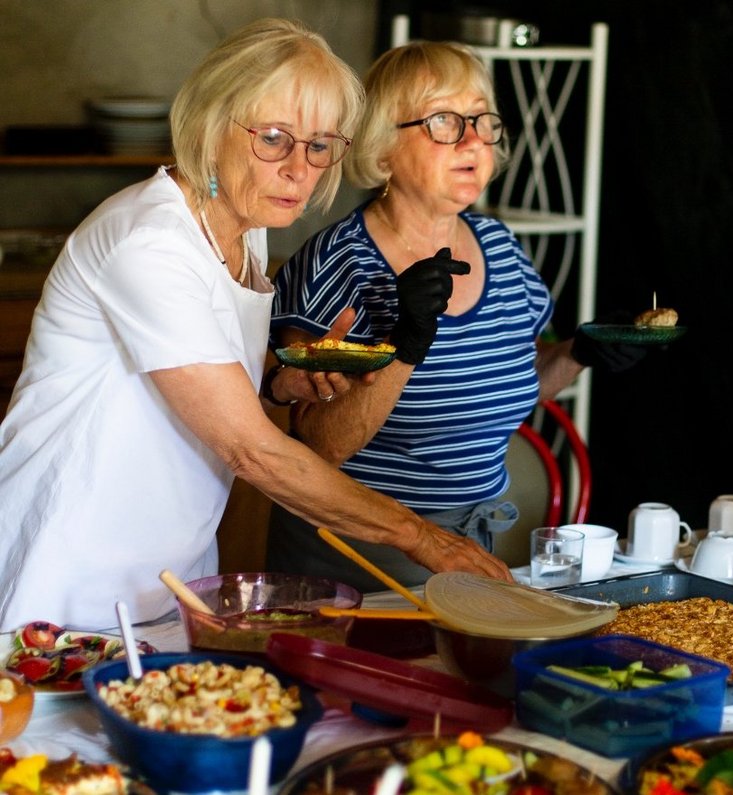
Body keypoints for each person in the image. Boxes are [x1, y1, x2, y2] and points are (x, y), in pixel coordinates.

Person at [0, 20, 512, 632]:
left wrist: (277, 384)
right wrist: (423, 538)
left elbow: (201, 376)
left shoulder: (243, 226)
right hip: (65, 568)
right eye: (274, 138)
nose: (300, 169)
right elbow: (252, 450)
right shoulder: (151, 241)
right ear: (213, 125)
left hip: (167, 571)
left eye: (321, 145)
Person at [266, 39, 646, 592]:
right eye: (444, 121)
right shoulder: (337, 262)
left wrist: (577, 353)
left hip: (468, 548)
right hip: (356, 555)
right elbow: (313, 448)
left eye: (481, 119)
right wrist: (407, 342)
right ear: (383, 146)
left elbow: (498, 386)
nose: (473, 140)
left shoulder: (501, 248)